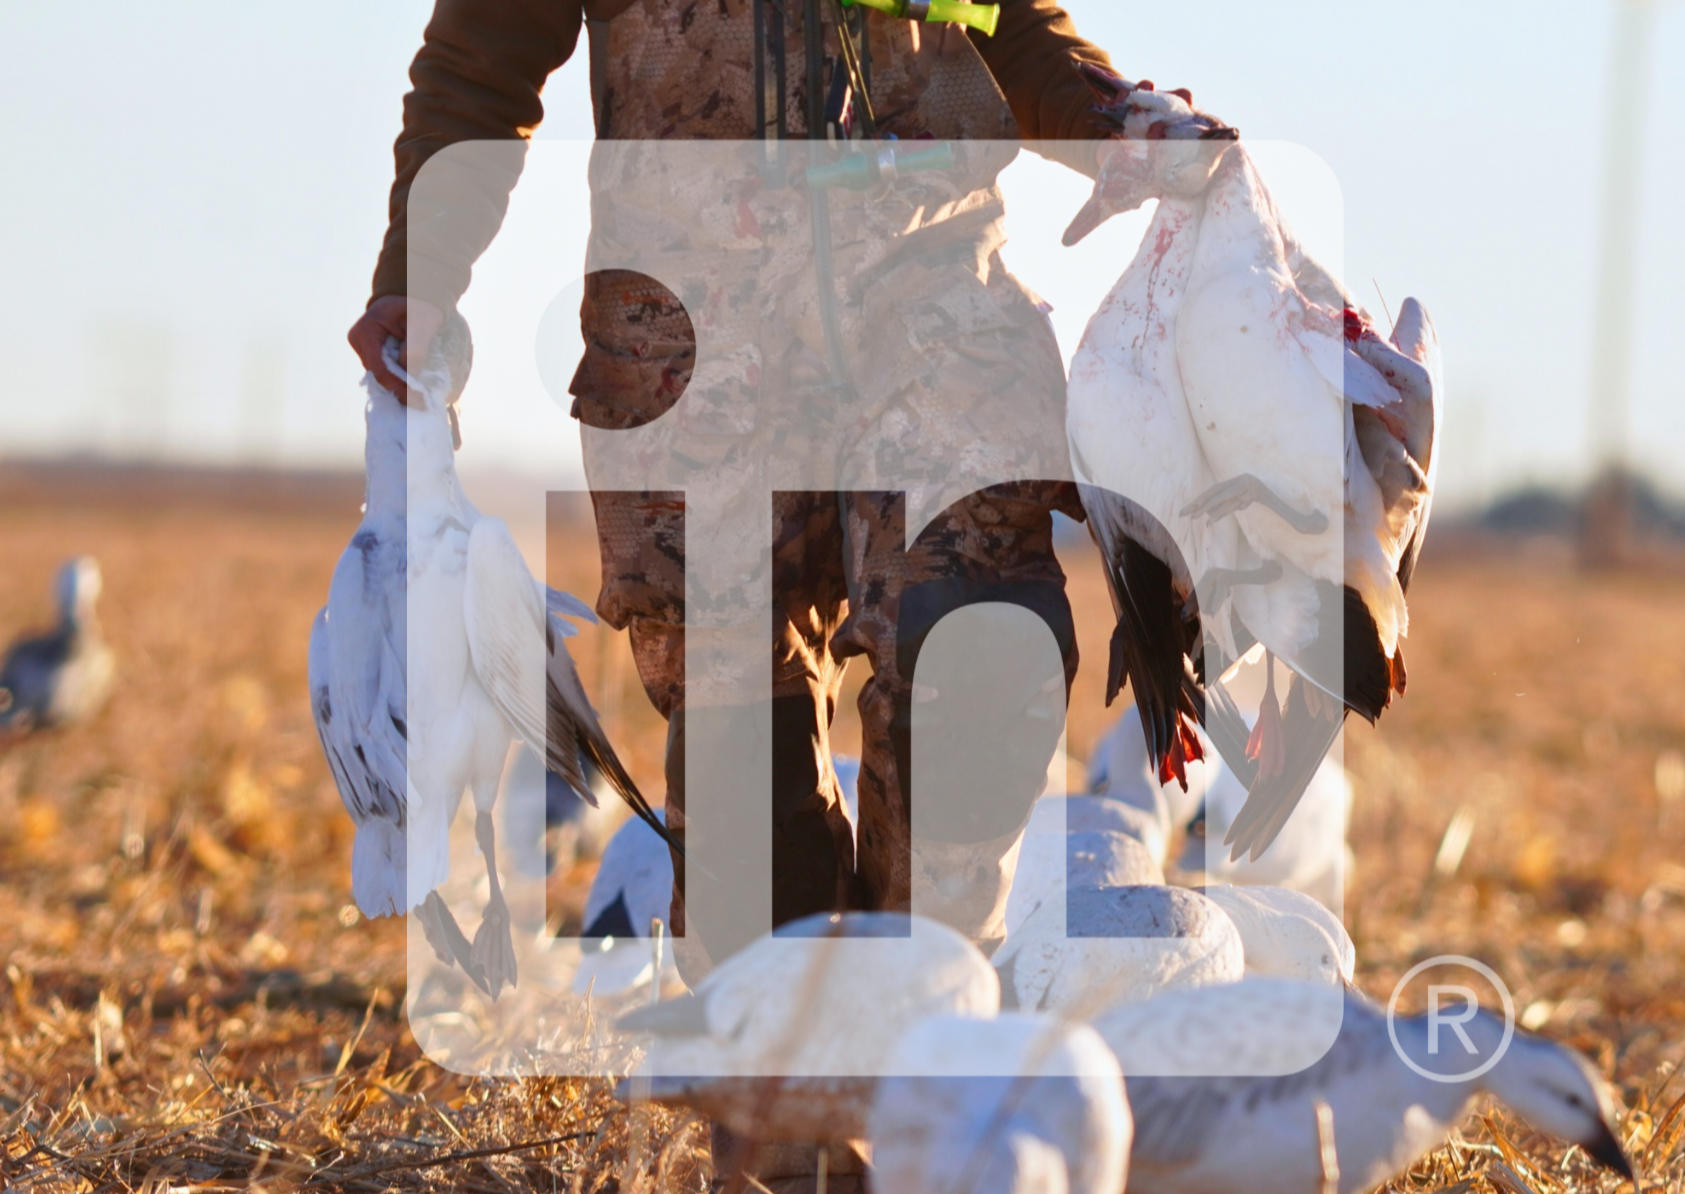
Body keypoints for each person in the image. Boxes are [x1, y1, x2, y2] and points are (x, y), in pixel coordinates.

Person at [347, 3, 1223, 1188]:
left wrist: (1120, 123)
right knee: (742, 779)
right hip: (685, 342)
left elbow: (1018, 27)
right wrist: (420, 274)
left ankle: (919, 1043)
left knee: (982, 654)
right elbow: (479, 57)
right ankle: (797, 1132)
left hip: (932, 305)